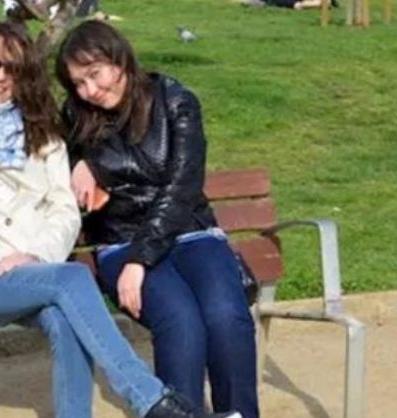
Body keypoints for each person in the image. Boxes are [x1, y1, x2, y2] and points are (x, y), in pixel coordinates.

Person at [0, 21, 241, 418]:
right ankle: (151, 400)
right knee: (72, 278)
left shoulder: (44, 139)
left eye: (13, 68)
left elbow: (65, 210)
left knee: (66, 318)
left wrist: (37, 254)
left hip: (34, 269)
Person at [55, 20, 259, 418]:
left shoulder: (175, 101)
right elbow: (54, 168)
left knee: (226, 316)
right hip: (119, 241)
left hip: (190, 232)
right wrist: (78, 163)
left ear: (119, 59)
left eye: (95, 74)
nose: (90, 90)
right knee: (181, 321)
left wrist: (140, 260)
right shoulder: (77, 116)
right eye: (78, 83)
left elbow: (183, 187)